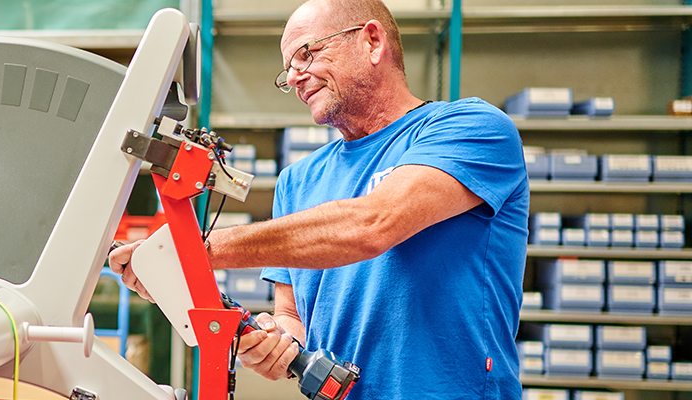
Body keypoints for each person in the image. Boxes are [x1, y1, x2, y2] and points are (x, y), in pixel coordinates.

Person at [108, 0, 528, 398]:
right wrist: (277, 344)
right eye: (287, 69)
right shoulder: (297, 181)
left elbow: (374, 224)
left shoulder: (472, 127)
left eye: (306, 55)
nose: (293, 78)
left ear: (372, 41)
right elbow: (293, 319)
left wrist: (192, 251)